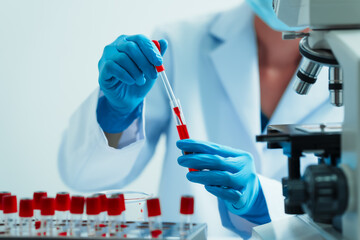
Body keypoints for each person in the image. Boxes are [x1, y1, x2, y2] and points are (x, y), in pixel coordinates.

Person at [58, 0, 343, 238]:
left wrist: (264, 200)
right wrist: (117, 112)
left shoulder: (350, 60)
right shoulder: (182, 42)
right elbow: (84, 172)